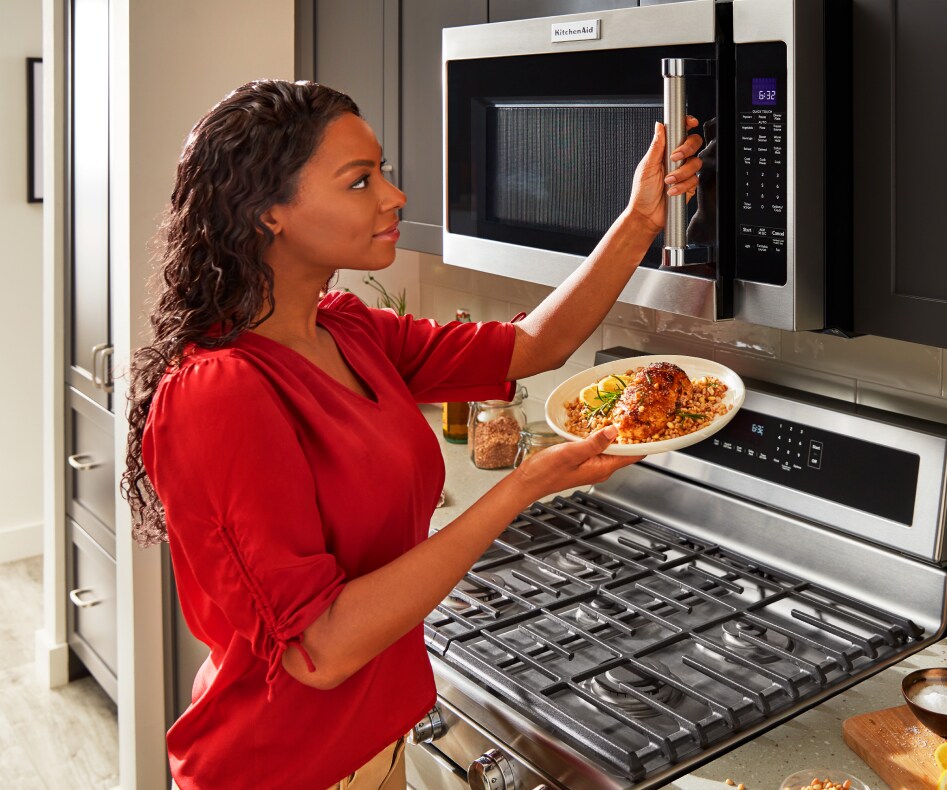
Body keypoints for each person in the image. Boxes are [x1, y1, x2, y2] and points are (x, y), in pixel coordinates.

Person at [118, 79, 703, 790]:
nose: (393, 197)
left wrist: (642, 219)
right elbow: (321, 651)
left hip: (375, 752)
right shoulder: (222, 391)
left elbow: (532, 347)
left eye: (383, 172)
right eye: (361, 181)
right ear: (269, 212)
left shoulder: (347, 329)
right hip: (281, 770)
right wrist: (521, 487)